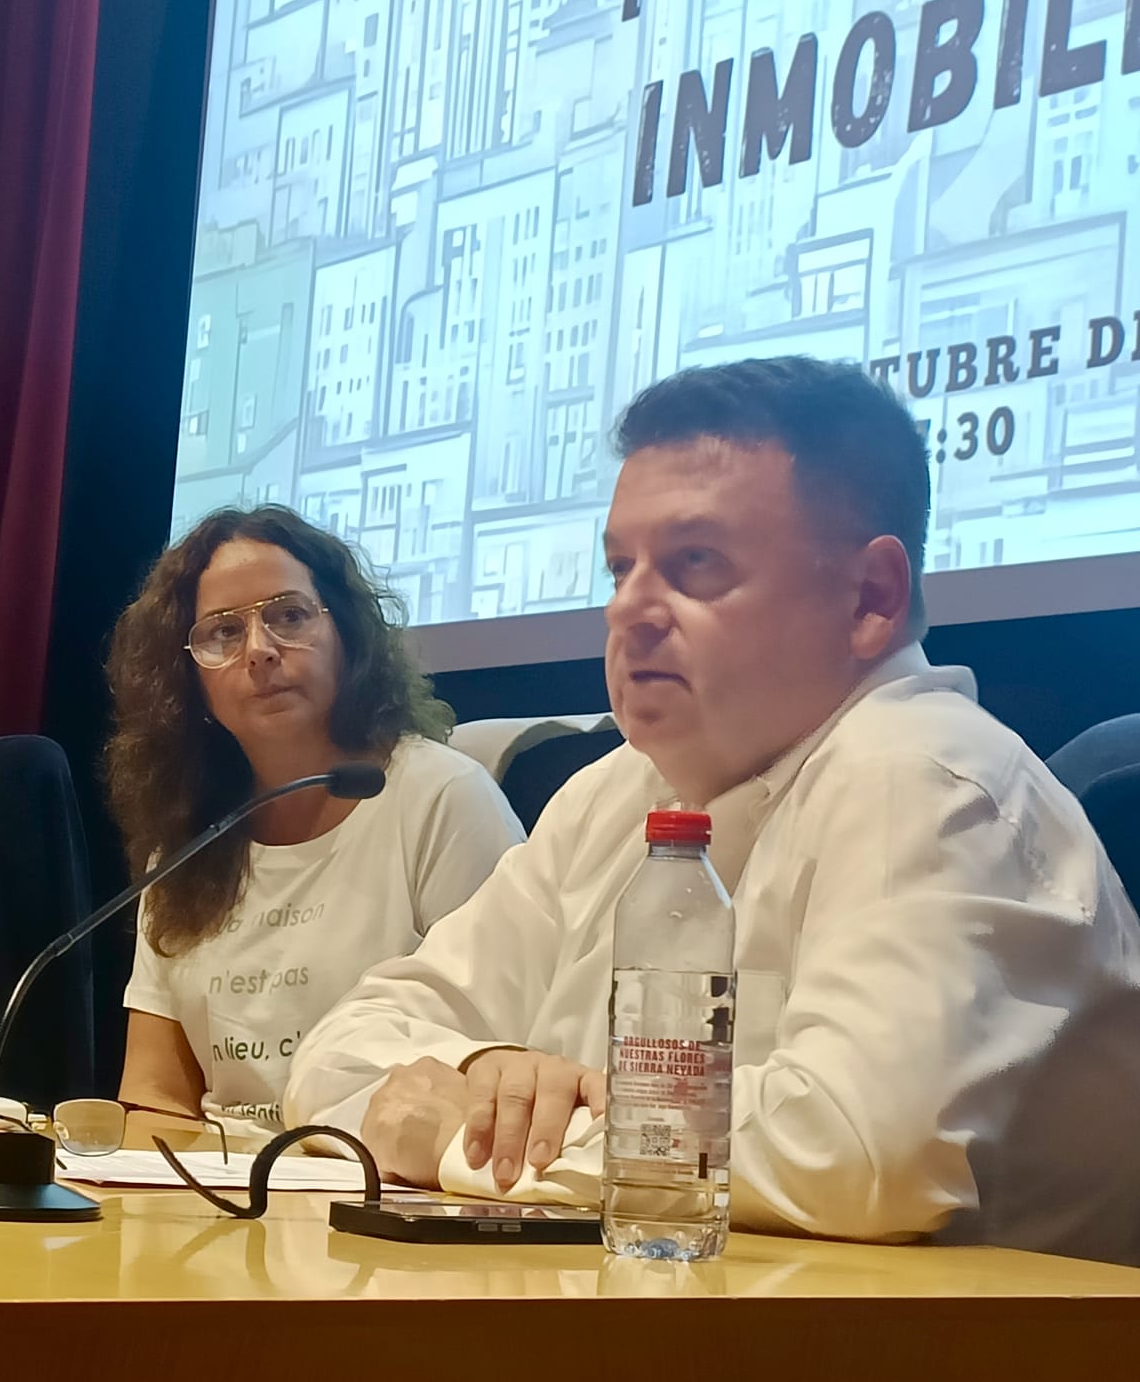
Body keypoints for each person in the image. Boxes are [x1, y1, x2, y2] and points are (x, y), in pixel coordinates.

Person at [283, 357, 1140, 1262]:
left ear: (870, 599)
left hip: (975, 1348)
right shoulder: (616, 793)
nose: (630, 611)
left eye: (696, 565)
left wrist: (468, 1141)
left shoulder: (928, 777)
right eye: (621, 568)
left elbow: (853, 1151)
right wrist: (479, 1072)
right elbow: (339, 1051)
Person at [106, 505, 523, 1137]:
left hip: (388, 1178)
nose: (259, 651)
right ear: (189, 681)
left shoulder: (441, 797)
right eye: (223, 632)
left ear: (346, 635)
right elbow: (153, 1095)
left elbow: (506, 1056)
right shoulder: (186, 843)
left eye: (289, 616)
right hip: (216, 1186)